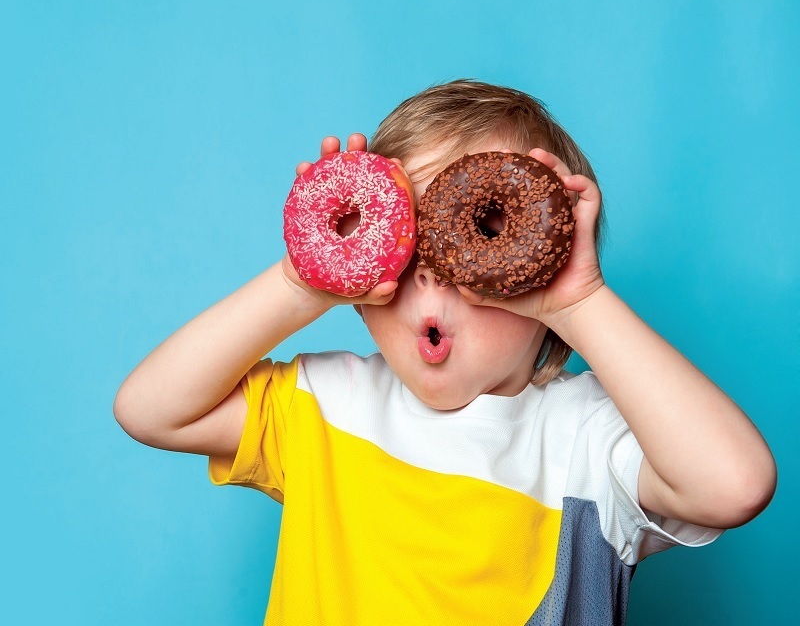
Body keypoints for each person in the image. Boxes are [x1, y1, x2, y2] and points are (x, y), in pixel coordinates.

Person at [114, 79, 776, 625]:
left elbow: (735, 484)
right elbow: (151, 409)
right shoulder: (325, 408)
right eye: (403, 241)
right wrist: (300, 282)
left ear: (542, 262)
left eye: (483, 232)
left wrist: (581, 303)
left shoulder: (589, 444)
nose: (431, 271)